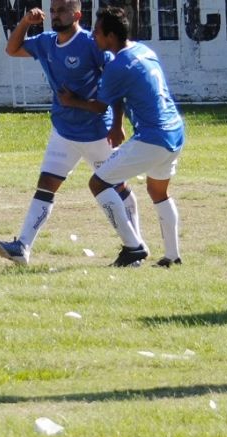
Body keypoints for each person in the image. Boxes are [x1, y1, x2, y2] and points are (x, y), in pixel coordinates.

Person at [0, 0, 141, 266]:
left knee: (118, 187)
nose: (55, 15)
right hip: (63, 131)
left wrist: (117, 124)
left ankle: (135, 247)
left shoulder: (90, 43)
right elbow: (12, 49)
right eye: (52, 10)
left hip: (96, 133)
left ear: (77, 14)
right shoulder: (46, 42)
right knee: (46, 184)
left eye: (61, 10)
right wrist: (26, 22)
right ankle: (22, 247)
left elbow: (114, 82)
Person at [58, 6, 184, 268]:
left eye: (97, 31)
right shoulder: (143, 50)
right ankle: (172, 256)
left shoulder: (118, 66)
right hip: (175, 130)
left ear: (111, 36)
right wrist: (118, 124)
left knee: (98, 183)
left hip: (153, 137)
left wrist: (72, 101)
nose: (93, 35)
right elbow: (126, 94)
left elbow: (99, 105)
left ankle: (133, 246)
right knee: (157, 191)